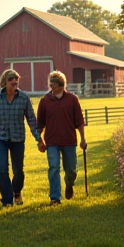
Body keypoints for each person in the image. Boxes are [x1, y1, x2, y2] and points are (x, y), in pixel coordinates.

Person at [0, 69, 44, 207]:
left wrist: (39, 139)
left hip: (18, 138)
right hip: (0, 138)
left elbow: (31, 119)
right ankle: (7, 200)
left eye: (17, 84)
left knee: (18, 170)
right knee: (2, 170)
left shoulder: (24, 98)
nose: (15, 87)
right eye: (12, 84)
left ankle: (17, 192)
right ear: (5, 82)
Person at [37, 70, 87, 205]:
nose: (52, 86)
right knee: (53, 167)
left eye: (55, 84)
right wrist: (39, 141)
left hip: (69, 141)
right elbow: (40, 124)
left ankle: (69, 184)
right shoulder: (45, 101)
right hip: (52, 141)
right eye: (51, 83)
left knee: (71, 169)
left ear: (62, 85)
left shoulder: (72, 100)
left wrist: (83, 139)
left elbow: (79, 121)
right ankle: (55, 198)